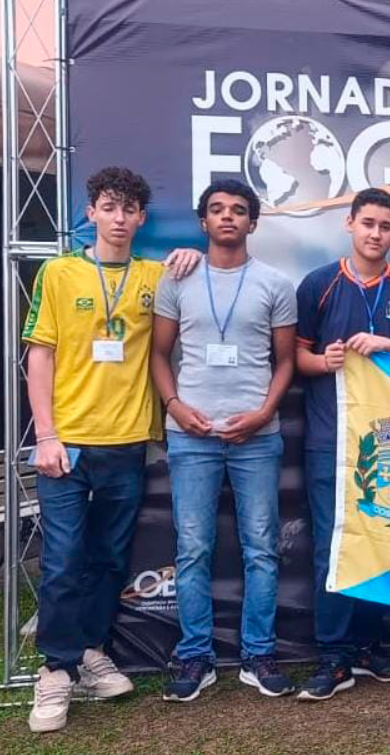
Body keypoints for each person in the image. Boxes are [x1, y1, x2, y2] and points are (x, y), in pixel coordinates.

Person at [23, 167, 201, 733]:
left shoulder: (155, 275)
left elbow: (193, 295)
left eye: (129, 209)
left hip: (127, 443)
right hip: (67, 444)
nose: (119, 218)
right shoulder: (59, 272)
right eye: (109, 207)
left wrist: (191, 256)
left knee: (107, 560)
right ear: (91, 212)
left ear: (141, 218)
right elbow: (39, 356)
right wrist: (46, 435)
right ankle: (56, 670)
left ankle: (92, 652)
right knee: (62, 560)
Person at [150, 179, 298, 701]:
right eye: (217, 210)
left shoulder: (275, 283)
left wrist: (263, 413)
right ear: (204, 221)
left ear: (253, 222)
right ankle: (196, 656)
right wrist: (175, 407)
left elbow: (285, 362)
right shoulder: (177, 278)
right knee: (193, 549)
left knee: (261, 549)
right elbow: (159, 355)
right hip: (191, 434)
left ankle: (259, 653)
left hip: (257, 436)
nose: (228, 217)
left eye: (238, 210)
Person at [295, 188, 390, 700]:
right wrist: (324, 361)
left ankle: (368, 647)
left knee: (378, 541)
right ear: (349, 224)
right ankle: (333, 654)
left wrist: (389, 345)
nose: (375, 233)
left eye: (385, 226)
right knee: (333, 547)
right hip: (330, 438)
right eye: (368, 223)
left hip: (389, 445)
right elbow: (296, 358)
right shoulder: (319, 284)